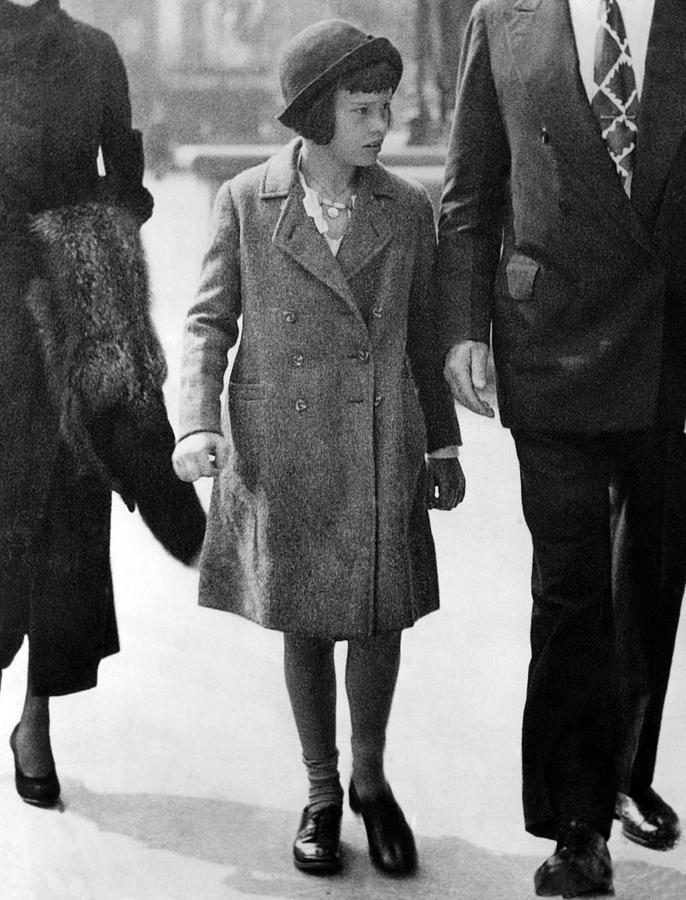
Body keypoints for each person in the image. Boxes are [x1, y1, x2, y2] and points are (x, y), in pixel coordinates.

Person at [173, 18, 464, 877]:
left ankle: (371, 782)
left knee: (379, 617)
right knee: (302, 620)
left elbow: (423, 340)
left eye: (387, 106)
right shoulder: (246, 201)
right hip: (284, 447)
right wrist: (196, 422)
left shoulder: (406, 210)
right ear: (313, 115)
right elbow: (207, 323)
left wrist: (443, 449)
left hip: (381, 441)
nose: (382, 125)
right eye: (363, 110)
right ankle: (322, 790)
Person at [436, 0, 686, 896]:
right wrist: (462, 329)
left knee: (652, 575)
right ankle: (576, 824)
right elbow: (469, 194)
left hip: (671, 339)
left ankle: (622, 770)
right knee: (570, 583)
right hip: (550, 338)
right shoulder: (501, 18)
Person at [0, 0, 205, 809]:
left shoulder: (92, 52)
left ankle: (36, 718)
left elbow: (123, 170)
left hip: (69, 316)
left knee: (63, 521)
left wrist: (93, 240)